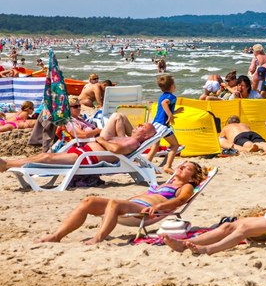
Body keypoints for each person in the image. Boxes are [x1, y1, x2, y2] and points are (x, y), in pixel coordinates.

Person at [36, 161, 206, 245]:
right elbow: (145, 193)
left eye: (187, 168)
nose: (182, 167)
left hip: (145, 212)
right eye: (182, 165)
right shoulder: (166, 183)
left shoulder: (187, 186)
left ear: (192, 177)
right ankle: (56, 236)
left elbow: (181, 200)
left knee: (114, 203)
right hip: (133, 205)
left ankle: (98, 238)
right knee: (88, 201)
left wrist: (159, 207)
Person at [0, 118, 156, 172]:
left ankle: (7, 164)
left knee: (47, 157)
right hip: (86, 152)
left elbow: (116, 150)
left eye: (143, 126)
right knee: (46, 156)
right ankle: (8, 164)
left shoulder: (133, 142)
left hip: (88, 158)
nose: (139, 125)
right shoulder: (128, 138)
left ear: (146, 135)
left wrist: (100, 140)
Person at [146, 74, 183, 174]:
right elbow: (164, 104)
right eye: (174, 84)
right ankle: (168, 166)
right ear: (171, 86)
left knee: (154, 147)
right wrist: (170, 115)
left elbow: (163, 110)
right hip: (163, 126)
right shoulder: (172, 97)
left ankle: (146, 165)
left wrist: (175, 112)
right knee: (175, 145)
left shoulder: (161, 96)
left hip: (156, 124)